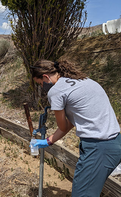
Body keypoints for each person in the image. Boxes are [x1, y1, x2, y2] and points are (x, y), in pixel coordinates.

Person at [30, 59, 121, 197]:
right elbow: (77, 118)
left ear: (46, 77)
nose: (43, 87)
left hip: (98, 148)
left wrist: (47, 140)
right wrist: (49, 140)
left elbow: (63, 126)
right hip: (115, 141)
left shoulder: (56, 91)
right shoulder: (84, 80)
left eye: (40, 84)